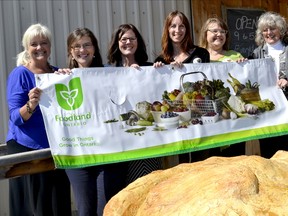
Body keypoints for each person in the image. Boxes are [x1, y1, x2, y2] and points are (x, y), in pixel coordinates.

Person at [61, 27, 129, 216]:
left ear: (94, 48)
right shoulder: (62, 78)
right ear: (70, 51)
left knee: (105, 210)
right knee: (85, 211)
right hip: (79, 155)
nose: (82, 50)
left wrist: (133, 74)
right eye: (77, 46)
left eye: (87, 45)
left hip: (108, 155)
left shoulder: (110, 73)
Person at [6, 23, 71, 216]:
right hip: (28, 149)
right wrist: (31, 105)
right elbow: (15, 118)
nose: (39, 47)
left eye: (44, 43)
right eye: (34, 44)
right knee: (35, 207)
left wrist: (69, 79)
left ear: (50, 47)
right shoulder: (20, 74)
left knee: (57, 203)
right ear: (27, 48)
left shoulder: (58, 73)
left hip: (56, 147)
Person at [107, 23, 163, 184]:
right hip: (119, 141)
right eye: (123, 39)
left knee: (147, 186)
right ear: (117, 43)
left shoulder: (150, 68)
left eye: (132, 38)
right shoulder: (107, 72)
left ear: (138, 42)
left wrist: (160, 70)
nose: (128, 42)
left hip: (146, 140)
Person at [154, 10, 210, 163]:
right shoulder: (161, 60)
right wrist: (160, 69)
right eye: (173, 26)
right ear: (167, 29)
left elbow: (205, 83)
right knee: (183, 167)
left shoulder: (202, 53)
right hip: (177, 121)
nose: (177, 31)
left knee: (203, 163)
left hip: (200, 117)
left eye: (182, 26)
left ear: (187, 29)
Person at [198, 17, 247, 157]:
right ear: (205, 34)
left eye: (222, 31)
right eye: (214, 31)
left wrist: (243, 66)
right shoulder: (197, 58)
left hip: (233, 121)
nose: (219, 34)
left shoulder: (235, 56)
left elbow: (243, 87)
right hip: (206, 123)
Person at [249, 11, 288, 158]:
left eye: (273, 28)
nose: (269, 32)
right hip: (267, 111)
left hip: (287, 109)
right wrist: (242, 64)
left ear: (281, 30)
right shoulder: (256, 53)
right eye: (265, 29)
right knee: (268, 152)